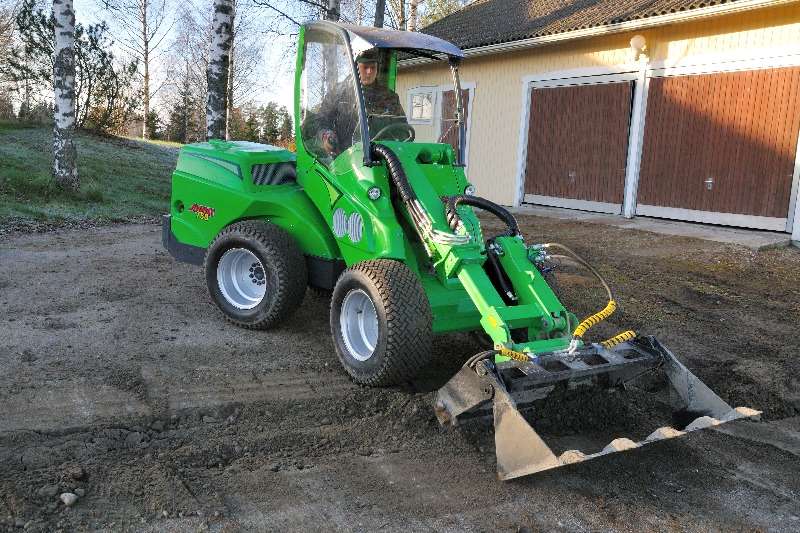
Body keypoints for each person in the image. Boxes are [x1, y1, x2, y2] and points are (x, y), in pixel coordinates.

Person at [304, 48, 411, 162]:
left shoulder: (389, 97)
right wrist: (325, 135)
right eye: (365, 67)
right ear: (355, 67)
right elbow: (320, 121)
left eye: (373, 67)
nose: (369, 72)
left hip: (381, 160)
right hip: (344, 160)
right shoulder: (337, 94)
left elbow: (402, 129)